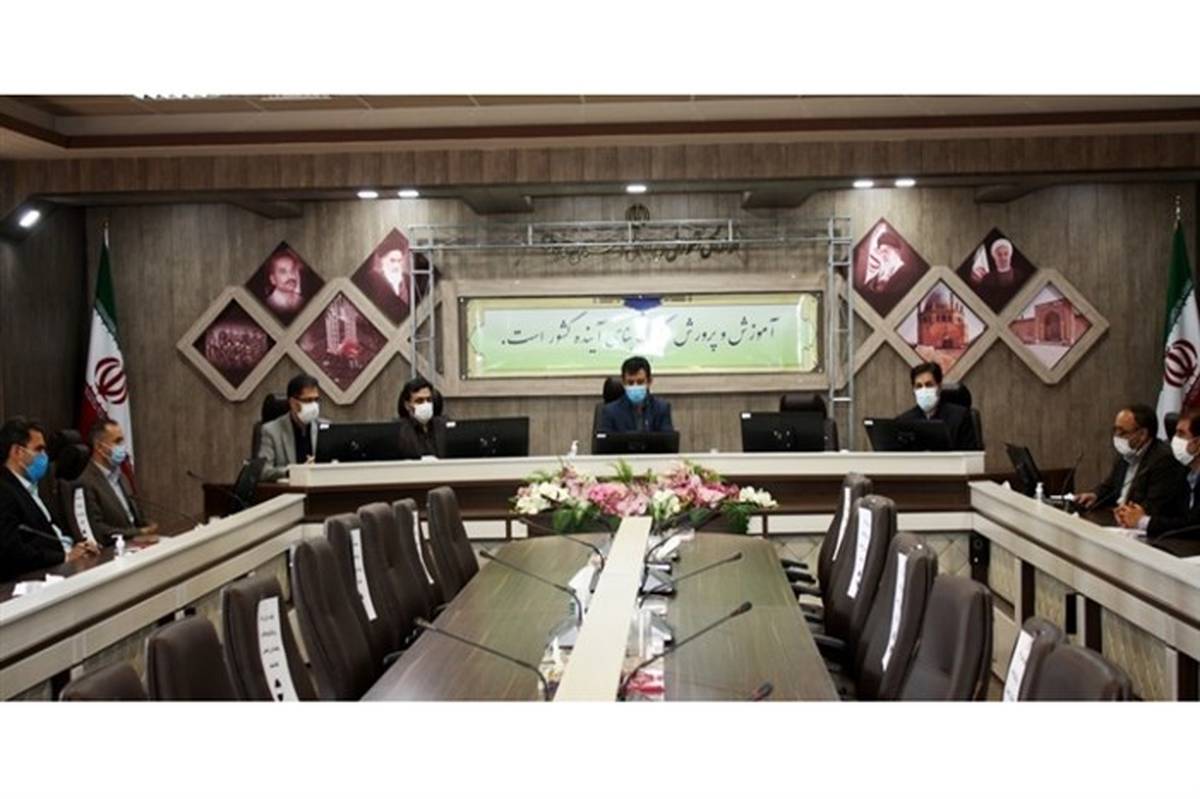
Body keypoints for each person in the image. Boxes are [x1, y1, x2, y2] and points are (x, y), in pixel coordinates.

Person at [0, 416, 98, 582]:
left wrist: (78, 549)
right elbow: (11, 551)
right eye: (38, 449)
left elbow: (49, 535)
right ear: (17, 452)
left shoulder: (32, 487)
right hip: (32, 583)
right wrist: (64, 557)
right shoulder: (4, 491)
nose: (44, 456)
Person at [1076, 404, 1185, 517]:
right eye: (1115, 430)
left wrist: (1127, 513)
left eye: (1122, 432)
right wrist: (1095, 495)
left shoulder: (1163, 459)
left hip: (1139, 523)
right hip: (1117, 516)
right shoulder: (1126, 452)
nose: (1117, 436)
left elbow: (1154, 506)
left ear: (1142, 434)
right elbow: (1110, 486)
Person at [69, 419, 158, 547]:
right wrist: (137, 532)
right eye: (117, 441)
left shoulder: (121, 476)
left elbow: (134, 517)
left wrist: (147, 525)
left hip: (138, 545)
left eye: (122, 441)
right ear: (99, 447)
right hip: (113, 549)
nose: (122, 447)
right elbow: (97, 528)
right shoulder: (85, 481)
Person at [1115, 407, 1200, 538]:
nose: (1174, 439)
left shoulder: (1166, 462)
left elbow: (1193, 525)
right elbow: (1173, 515)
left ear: (1198, 443)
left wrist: (1143, 521)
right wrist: (1132, 514)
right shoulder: (1183, 472)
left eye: (1181, 434)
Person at [895, 361, 980, 450]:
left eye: (929, 385)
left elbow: (970, 455)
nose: (924, 390)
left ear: (939, 387)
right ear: (913, 390)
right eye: (919, 386)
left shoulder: (961, 417)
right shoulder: (903, 422)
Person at [258, 374, 322, 482]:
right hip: (289, 490)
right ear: (293, 403)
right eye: (308, 400)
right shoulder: (271, 431)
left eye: (316, 400)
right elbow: (263, 472)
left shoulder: (324, 427)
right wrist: (294, 471)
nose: (314, 405)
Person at [598, 356, 675, 434]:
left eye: (640, 382)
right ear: (623, 383)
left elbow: (668, 440)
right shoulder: (610, 412)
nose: (635, 386)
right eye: (630, 383)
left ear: (649, 381)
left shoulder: (661, 408)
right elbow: (605, 440)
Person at [356, 242, 412, 324]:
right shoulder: (373, 280)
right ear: (383, 260)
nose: (396, 266)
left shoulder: (408, 279)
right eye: (392, 260)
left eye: (399, 261)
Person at [396, 376, 446, 459]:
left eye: (429, 400)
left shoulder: (444, 427)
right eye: (419, 401)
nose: (425, 404)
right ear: (407, 405)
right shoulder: (399, 431)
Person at [265, 250, 305, 316]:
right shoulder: (267, 307)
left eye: (293, 270)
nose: (291, 276)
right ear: (273, 279)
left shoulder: (303, 302)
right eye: (283, 272)